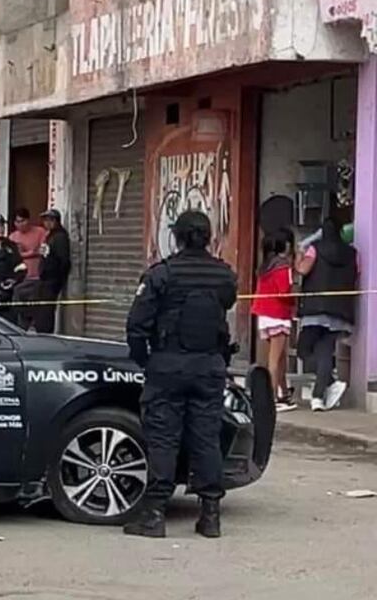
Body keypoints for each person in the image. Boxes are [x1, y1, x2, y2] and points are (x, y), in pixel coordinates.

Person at [124, 210, 238, 539]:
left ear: (177, 236)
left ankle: (155, 514)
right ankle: (210, 515)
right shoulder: (223, 275)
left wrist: (144, 361)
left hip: (168, 366)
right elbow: (226, 305)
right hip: (209, 366)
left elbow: (136, 325)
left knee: (163, 438)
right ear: (208, 236)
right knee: (206, 438)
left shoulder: (162, 275)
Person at [296, 217, 359, 412]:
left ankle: (323, 391)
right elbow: (357, 274)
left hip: (316, 307)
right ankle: (322, 391)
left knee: (304, 350)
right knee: (324, 350)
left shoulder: (315, 248)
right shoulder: (352, 253)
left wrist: (299, 253)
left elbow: (302, 269)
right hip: (341, 310)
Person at [251, 232, 295, 411]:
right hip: (278, 315)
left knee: (280, 358)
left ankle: (283, 393)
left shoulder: (265, 266)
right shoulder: (283, 267)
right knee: (275, 360)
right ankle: (272, 399)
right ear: (285, 245)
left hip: (264, 314)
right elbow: (284, 291)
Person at [34, 209, 72, 333]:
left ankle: (45, 333)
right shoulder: (50, 236)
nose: (47, 223)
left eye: (50, 220)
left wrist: (58, 279)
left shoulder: (60, 237)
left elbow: (63, 260)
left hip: (52, 279)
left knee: (46, 309)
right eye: (45, 220)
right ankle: (42, 330)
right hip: (45, 278)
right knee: (42, 308)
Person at [9, 208, 48, 280]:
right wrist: (32, 252)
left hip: (38, 275)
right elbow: (13, 256)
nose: (20, 224)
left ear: (28, 220)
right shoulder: (12, 237)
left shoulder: (40, 232)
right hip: (20, 277)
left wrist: (24, 253)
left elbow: (43, 251)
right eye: (17, 222)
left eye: (23, 221)